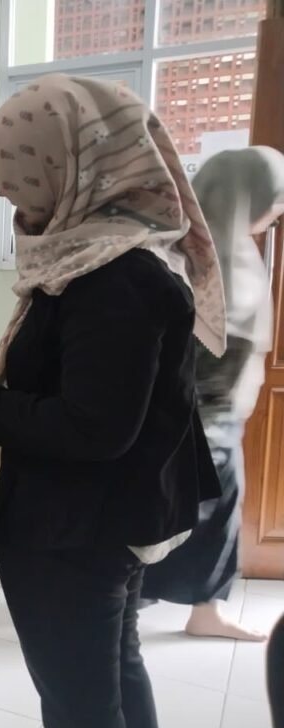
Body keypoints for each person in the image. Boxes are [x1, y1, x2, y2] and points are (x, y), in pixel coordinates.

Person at [0, 74, 226, 728]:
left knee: (80, 708)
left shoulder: (112, 278)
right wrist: (2, 378)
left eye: (17, 176)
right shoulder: (99, 257)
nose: (6, 195)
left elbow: (95, 427)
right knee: (112, 683)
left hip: (74, 533)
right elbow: (94, 382)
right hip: (98, 525)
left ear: (71, 164)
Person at [142, 147, 284, 641]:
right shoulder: (209, 262)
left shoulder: (209, 250)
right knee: (201, 514)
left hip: (199, 419)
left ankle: (191, 608)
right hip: (200, 421)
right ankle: (202, 612)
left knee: (183, 515)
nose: (274, 213)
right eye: (272, 201)